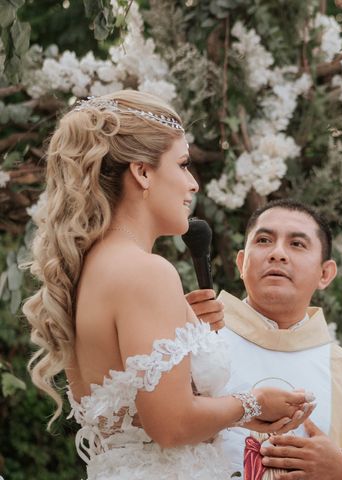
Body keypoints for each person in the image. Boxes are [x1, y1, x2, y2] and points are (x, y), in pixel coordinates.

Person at [22, 91, 313, 480]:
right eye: (182, 164)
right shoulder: (147, 272)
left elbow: (146, 419)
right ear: (142, 172)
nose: (192, 184)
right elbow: (171, 425)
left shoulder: (87, 269)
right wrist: (253, 403)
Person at [204, 199, 342, 479]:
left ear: (325, 273)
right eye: (263, 240)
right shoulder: (200, 342)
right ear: (241, 262)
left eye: (297, 244)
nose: (277, 253)